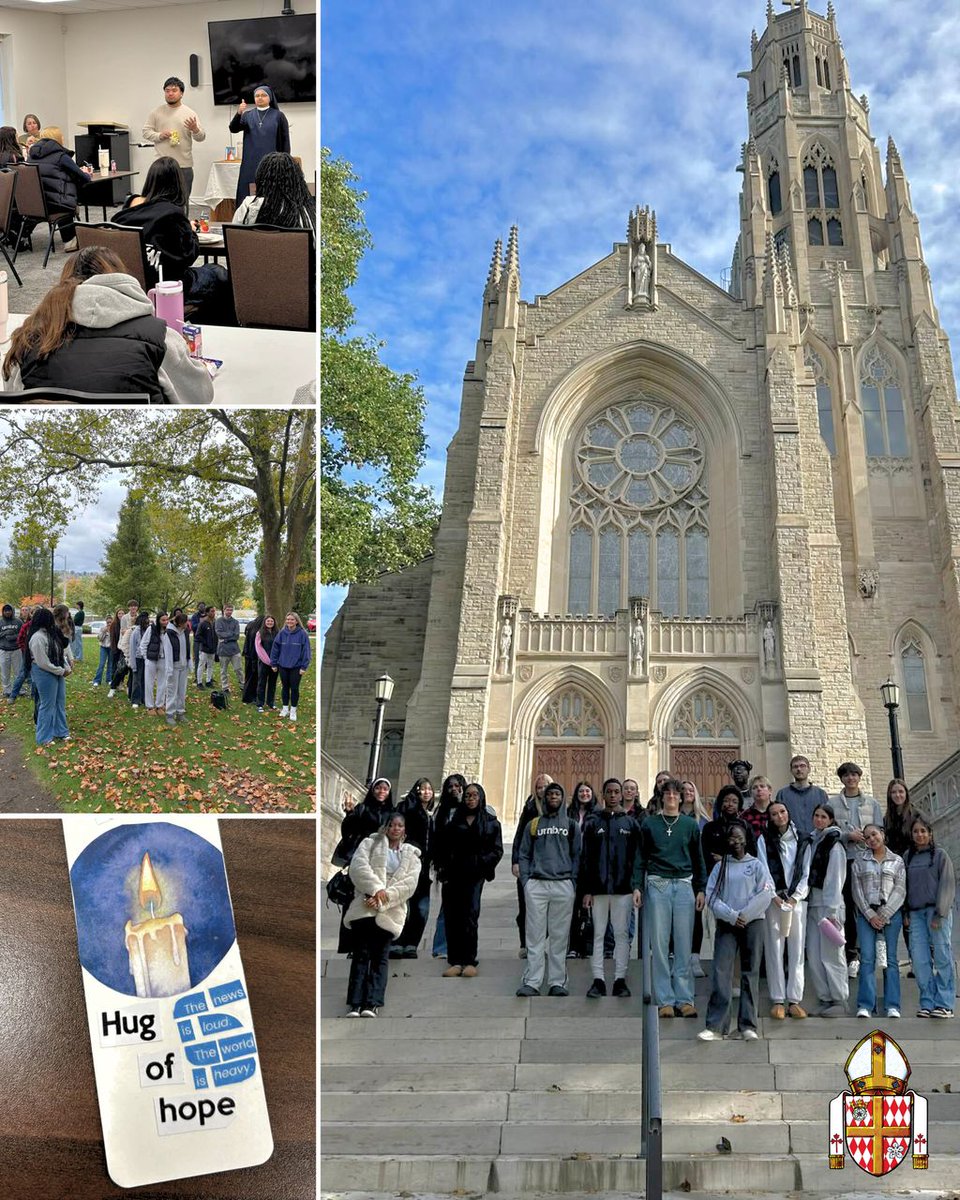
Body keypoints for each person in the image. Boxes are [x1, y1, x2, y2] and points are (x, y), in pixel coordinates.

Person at [1, 247, 214, 402]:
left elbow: (12, 396)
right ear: (121, 280)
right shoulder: (161, 339)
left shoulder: (27, 343)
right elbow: (201, 397)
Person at [111, 157, 230, 323]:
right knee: (218, 273)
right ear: (177, 183)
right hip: (165, 286)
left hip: (130, 284)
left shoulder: (128, 207)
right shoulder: (172, 213)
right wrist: (189, 231)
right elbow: (188, 256)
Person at [633, 777, 707, 1017]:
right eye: (668, 794)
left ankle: (685, 999)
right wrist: (637, 886)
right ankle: (665, 999)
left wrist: (701, 888)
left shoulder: (689, 825)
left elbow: (698, 859)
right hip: (658, 884)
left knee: (683, 944)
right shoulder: (650, 824)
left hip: (684, 885)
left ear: (682, 797)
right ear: (662, 796)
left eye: (677, 794)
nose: (673, 797)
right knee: (661, 944)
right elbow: (640, 858)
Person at [697, 825, 774, 1041]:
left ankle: (747, 1026)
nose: (736, 841)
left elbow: (766, 892)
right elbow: (711, 895)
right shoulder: (721, 867)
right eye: (731, 837)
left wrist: (746, 914)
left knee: (750, 973)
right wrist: (731, 915)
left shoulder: (757, 865)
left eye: (739, 837)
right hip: (727, 924)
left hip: (752, 923)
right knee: (722, 971)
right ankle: (715, 1026)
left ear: (746, 840)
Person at [343, 813, 422, 1018]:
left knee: (380, 958)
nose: (396, 828)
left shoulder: (412, 856)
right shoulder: (369, 843)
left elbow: (408, 885)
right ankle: (354, 1003)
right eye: (392, 825)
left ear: (404, 830)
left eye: (400, 825)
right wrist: (376, 890)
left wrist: (383, 898)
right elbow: (358, 868)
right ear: (386, 827)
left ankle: (372, 1002)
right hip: (365, 905)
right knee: (361, 956)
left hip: (390, 911)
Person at [516, 782, 581, 998]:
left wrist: (572, 881)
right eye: (550, 794)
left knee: (559, 936)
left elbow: (578, 855)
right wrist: (526, 880)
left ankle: (557, 982)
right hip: (537, 884)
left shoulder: (571, 825)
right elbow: (524, 853)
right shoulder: (533, 824)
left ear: (563, 799)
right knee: (534, 936)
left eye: (557, 794)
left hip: (563, 884)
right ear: (544, 798)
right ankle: (532, 981)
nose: (553, 797)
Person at [434, 781, 503, 978]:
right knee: (452, 917)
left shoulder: (490, 823)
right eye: (467, 796)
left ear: (481, 798)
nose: (470, 799)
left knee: (470, 916)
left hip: (474, 875)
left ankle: (469, 960)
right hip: (453, 875)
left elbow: (497, 850)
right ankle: (455, 961)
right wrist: (444, 869)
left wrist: (481, 864)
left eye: (474, 795)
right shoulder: (455, 821)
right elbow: (444, 847)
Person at [581, 778, 640, 999]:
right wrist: (586, 889)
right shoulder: (592, 822)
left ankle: (620, 979)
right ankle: (598, 979)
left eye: (617, 791)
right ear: (603, 795)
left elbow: (637, 858)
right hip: (598, 889)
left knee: (622, 935)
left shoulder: (631, 824)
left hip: (623, 889)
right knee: (598, 934)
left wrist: (636, 886)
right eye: (610, 792)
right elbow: (586, 857)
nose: (614, 795)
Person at [757, 800, 812, 1019]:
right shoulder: (764, 839)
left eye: (782, 812)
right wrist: (775, 897)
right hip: (775, 902)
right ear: (769, 818)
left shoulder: (803, 839)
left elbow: (806, 872)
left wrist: (796, 897)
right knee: (774, 949)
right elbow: (763, 869)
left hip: (797, 902)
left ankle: (794, 999)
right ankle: (778, 998)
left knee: (797, 951)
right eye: (774, 814)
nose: (779, 816)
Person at [831, 762, 882, 979]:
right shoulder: (832, 803)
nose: (850, 778)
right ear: (842, 779)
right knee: (851, 907)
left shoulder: (871, 803)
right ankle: (853, 955)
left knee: (872, 904)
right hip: (846, 860)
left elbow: (880, 831)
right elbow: (830, 830)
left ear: (859, 777)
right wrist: (847, 836)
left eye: (854, 775)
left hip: (868, 861)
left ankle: (877, 948)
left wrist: (868, 836)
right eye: (846, 775)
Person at [851, 824, 906, 1019]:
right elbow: (856, 891)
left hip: (891, 916)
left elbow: (900, 890)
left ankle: (892, 1005)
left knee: (890, 959)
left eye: (874, 834)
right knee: (867, 958)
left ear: (882, 834)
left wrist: (885, 914)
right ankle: (866, 1004)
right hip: (867, 916)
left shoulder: (897, 861)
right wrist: (870, 915)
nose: (871, 839)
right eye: (867, 837)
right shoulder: (859, 861)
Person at [903, 815, 955, 1018]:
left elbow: (947, 884)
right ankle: (927, 1002)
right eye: (916, 831)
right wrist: (905, 912)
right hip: (915, 914)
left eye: (923, 831)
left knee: (942, 956)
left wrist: (940, 913)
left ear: (930, 833)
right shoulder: (908, 857)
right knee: (920, 959)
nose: (919, 835)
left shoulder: (940, 855)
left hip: (936, 913)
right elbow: (904, 887)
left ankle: (945, 1003)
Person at [805, 803, 849, 1017]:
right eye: (816, 815)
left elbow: (835, 878)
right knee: (814, 955)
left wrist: (832, 911)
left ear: (831, 820)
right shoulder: (812, 841)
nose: (819, 819)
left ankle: (839, 999)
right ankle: (824, 997)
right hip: (812, 904)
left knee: (832, 955)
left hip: (829, 905)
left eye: (823, 816)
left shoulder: (834, 844)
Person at [26, 126, 93, 251]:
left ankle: (23, 236)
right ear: (56, 139)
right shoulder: (61, 157)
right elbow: (84, 178)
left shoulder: (31, 157)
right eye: (61, 136)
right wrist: (86, 173)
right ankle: (70, 242)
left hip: (35, 206)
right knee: (66, 200)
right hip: (57, 205)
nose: (63, 137)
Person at [141, 76, 206, 203]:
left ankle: (181, 223)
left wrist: (195, 129)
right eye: (167, 90)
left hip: (183, 166)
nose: (170, 93)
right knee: (158, 202)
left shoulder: (190, 113)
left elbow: (201, 137)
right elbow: (146, 132)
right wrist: (160, 135)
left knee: (182, 202)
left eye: (174, 90)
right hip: (161, 165)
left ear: (181, 93)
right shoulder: (156, 112)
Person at [394, 778, 437, 958]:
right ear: (417, 790)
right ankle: (397, 942)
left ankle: (412, 944)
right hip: (407, 863)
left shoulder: (431, 814)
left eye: (430, 789)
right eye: (423, 789)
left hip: (425, 867)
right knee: (402, 904)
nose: (426, 792)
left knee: (421, 908)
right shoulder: (407, 808)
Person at [228, 86, 291, 205]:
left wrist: (285, 162)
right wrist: (239, 113)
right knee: (247, 194)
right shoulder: (247, 115)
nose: (260, 98)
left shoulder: (279, 116)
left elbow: (285, 141)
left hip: (272, 163)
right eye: (257, 96)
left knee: (271, 194)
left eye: (263, 95)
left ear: (270, 97)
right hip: (250, 163)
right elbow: (233, 128)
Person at [512, 773, 552, 958]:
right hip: (529, 866)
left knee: (547, 910)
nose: (542, 790)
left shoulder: (559, 811)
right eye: (539, 787)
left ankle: (540, 945)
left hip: (550, 867)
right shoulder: (529, 809)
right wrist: (515, 861)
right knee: (525, 908)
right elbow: (519, 835)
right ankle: (525, 945)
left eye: (545, 786)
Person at [231, 151, 315, 239]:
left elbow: (233, 240)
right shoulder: (308, 212)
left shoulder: (248, 207)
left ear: (261, 179)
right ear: (298, 181)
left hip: (255, 252)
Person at [430, 773, 467, 960]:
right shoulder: (441, 812)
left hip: (467, 866)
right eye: (450, 786)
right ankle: (441, 947)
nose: (454, 789)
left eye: (457, 786)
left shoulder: (469, 809)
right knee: (447, 909)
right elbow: (437, 840)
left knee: (466, 910)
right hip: (448, 867)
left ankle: (461, 948)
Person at [680, 780, 712, 978]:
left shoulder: (704, 821)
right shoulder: (672, 817)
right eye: (683, 790)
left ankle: (694, 958)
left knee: (697, 918)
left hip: (696, 876)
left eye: (691, 789)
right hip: (677, 874)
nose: (687, 793)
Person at [28, 606, 72, 746]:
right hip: (44, 673)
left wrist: (66, 667)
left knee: (60, 702)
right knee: (47, 705)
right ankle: (44, 737)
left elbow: (60, 653)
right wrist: (60, 671)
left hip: (57, 670)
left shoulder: (51, 634)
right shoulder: (37, 638)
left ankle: (61, 731)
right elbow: (42, 662)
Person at [567, 781, 598, 959]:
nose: (584, 794)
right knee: (573, 909)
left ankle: (588, 947)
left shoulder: (597, 814)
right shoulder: (569, 813)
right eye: (581, 791)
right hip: (572, 865)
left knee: (590, 910)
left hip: (590, 866)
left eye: (587, 791)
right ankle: (573, 946)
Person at [269, 611, 311, 721]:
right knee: (285, 687)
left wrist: (304, 667)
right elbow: (275, 649)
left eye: (292, 619)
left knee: (294, 688)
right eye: (288, 619)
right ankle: (285, 709)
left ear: (296, 621)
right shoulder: (282, 633)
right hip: (283, 665)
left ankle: (293, 710)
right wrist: (273, 663)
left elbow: (306, 651)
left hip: (296, 667)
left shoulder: (302, 634)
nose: (289, 621)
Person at [776, 754, 829, 838]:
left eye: (802, 766)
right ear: (791, 770)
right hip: (792, 842)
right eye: (795, 767)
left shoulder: (820, 794)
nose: (799, 769)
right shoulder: (782, 794)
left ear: (809, 769)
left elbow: (827, 820)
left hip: (816, 840)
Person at [701, 785, 757, 863]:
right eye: (726, 801)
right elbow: (704, 853)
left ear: (739, 806)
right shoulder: (709, 827)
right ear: (720, 804)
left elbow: (752, 853)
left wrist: (725, 860)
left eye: (734, 802)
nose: (730, 804)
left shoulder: (745, 826)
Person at [139, 611, 170, 715]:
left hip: (163, 660)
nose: (165, 622)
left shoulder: (169, 630)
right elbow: (143, 644)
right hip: (151, 660)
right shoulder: (151, 629)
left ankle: (159, 705)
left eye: (167, 620)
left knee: (163, 684)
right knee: (149, 683)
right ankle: (150, 706)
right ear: (158, 620)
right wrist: (146, 658)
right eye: (163, 620)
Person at [164, 611, 191, 725]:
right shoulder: (169, 634)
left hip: (183, 666)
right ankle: (170, 713)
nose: (187, 624)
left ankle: (180, 712)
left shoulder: (185, 632)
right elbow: (168, 652)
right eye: (185, 623)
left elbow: (187, 647)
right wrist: (169, 669)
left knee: (182, 690)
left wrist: (189, 661)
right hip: (174, 667)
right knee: (172, 691)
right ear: (180, 623)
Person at [7, 606, 34, 703]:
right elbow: (20, 639)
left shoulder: (41, 626)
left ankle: (33, 695)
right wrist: (25, 649)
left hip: (37, 655)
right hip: (26, 653)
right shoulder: (26, 625)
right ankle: (13, 695)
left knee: (32, 674)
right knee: (22, 674)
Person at [883, 778, 916, 858]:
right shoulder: (886, 819)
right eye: (893, 792)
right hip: (895, 862)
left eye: (901, 791)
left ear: (906, 794)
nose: (897, 795)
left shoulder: (916, 815)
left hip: (914, 859)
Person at [214, 605, 243, 693]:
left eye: (231, 610)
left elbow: (236, 635)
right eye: (228, 610)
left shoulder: (235, 622)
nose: (229, 612)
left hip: (234, 650)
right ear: (224, 610)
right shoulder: (219, 621)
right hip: (223, 650)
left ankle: (242, 685)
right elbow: (219, 634)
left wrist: (225, 638)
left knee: (238, 669)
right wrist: (231, 634)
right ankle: (225, 687)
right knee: (223, 670)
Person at [254, 614, 279, 711]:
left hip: (275, 663)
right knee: (262, 683)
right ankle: (260, 703)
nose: (270, 623)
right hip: (264, 662)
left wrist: (275, 662)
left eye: (271, 621)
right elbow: (259, 648)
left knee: (272, 683)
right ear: (265, 622)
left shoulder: (277, 633)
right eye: (268, 621)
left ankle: (270, 702)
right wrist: (269, 662)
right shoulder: (260, 633)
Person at [741, 775, 774, 841]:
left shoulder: (779, 811)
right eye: (755, 787)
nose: (759, 789)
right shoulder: (745, 816)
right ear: (750, 793)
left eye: (762, 786)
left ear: (770, 790)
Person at [0, 603, 23, 698]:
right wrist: (4, 633)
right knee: (5, 672)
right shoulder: (0, 622)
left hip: (16, 649)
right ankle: (6, 690)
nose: (7, 612)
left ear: (12, 611)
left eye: (9, 610)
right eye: (5, 610)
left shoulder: (18, 621)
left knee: (18, 671)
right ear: (3, 612)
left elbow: (23, 634)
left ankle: (19, 689)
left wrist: (14, 637)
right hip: (3, 650)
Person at [128, 611, 150, 709]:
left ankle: (144, 698)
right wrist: (133, 664)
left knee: (145, 680)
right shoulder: (135, 632)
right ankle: (135, 700)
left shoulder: (148, 631)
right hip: (137, 659)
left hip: (146, 658)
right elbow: (132, 649)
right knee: (136, 680)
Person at [241, 614, 263, 704]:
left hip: (248, 654)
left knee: (249, 676)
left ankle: (248, 695)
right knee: (253, 677)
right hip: (253, 655)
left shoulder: (250, 626)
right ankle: (250, 696)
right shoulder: (257, 631)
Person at [196, 605, 218, 687]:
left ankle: (208, 681)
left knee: (210, 665)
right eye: (212, 611)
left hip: (212, 649)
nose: (213, 613)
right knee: (201, 665)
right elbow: (198, 635)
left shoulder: (215, 622)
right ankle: (199, 682)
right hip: (204, 649)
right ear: (207, 612)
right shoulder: (203, 623)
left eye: (214, 611)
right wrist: (205, 643)